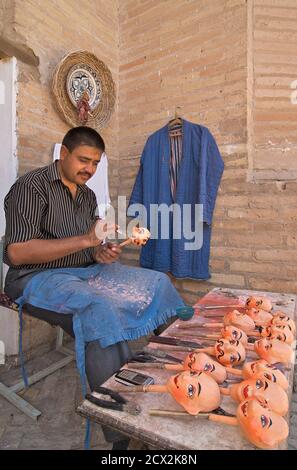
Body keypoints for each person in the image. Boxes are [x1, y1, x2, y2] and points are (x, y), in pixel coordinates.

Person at [3, 126, 183, 450]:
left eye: (96, 163)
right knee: (98, 308)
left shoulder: (86, 195)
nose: (89, 168)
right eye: (84, 160)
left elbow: (90, 249)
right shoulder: (30, 188)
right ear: (63, 154)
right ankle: (121, 427)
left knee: (155, 280)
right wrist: (88, 240)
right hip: (32, 278)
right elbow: (16, 253)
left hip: (82, 271)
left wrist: (101, 252)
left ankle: (181, 366)